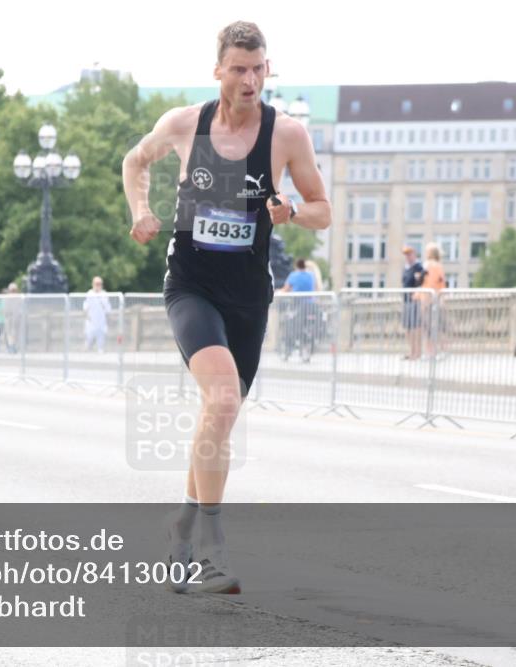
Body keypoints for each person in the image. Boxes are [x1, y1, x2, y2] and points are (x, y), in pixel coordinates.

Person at [123, 21, 331, 593]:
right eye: (238, 68)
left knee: (222, 413)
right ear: (218, 70)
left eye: (258, 68)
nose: (249, 79)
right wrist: (140, 210)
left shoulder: (285, 135)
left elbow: (323, 210)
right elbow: (134, 161)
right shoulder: (185, 125)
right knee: (220, 397)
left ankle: (181, 528)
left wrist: (291, 212)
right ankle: (211, 549)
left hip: (247, 296)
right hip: (191, 286)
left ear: (269, 70)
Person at [418, 242, 446, 358]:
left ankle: (429, 352)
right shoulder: (439, 266)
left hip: (426, 298)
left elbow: (421, 281)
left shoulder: (426, 265)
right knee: (435, 327)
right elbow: (442, 283)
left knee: (427, 328)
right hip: (436, 298)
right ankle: (435, 351)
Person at [401, 246, 424, 360]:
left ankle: (417, 352)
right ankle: (412, 351)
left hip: (415, 301)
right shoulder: (406, 268)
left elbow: (421, 282)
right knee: (408, 328)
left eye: (409, 254)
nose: (407, 257)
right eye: (406, 255)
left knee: (416, 327)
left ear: (414, 254)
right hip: (406, 301)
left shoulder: (419, 267)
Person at [83, 276, 112, 353]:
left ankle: (100, 353)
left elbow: (108, 309)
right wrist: (87, 317)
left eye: (99, 284)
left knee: (101, 342)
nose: (98, 285)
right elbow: (85, 308)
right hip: (91, 322)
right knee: (88, 340)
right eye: (96, 284)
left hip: (101, 322)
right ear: (93, 284)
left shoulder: (104, 294)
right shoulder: (89, 294)